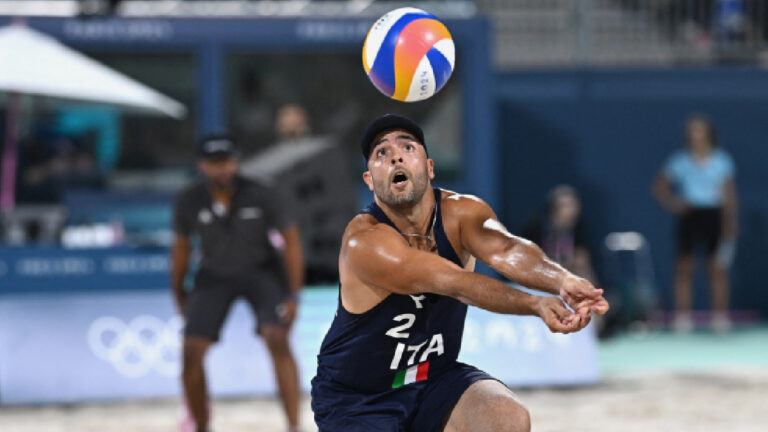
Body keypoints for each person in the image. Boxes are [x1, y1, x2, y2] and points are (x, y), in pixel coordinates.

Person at [311, 114, 609, 431]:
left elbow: (508, 250)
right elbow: (454, 283)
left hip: (433, 379)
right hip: (359, 398)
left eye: (408, 147)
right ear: (370, 180)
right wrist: (534, 304)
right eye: (381, 153)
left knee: (507, 418)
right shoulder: (365, 241)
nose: (395, 155)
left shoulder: (462, 212)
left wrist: (563, 280)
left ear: (429, 168)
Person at [171, 134, 304, 432]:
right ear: (201, 165)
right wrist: (178, 293)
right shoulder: (189, 199)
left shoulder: (263, 191)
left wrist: (294, 294)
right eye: (214, 162)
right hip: (214, 275)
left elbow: (292, 242)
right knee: (191, 350)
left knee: (278, 338)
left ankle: (295, 425)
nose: (222, 168)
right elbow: (180, 249)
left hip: (263, 271)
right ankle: (201, 426)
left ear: (236, 161)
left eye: (227, 161)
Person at [653, 114, 738, 333]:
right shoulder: (679, 161)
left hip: (714, 215)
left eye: (699, 130)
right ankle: (683, 318)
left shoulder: (722, 160)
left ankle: (720, 317)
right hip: (690, 216)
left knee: (717, 268)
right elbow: (660, 186)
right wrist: (674, 203)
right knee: (684, 267)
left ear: (708, 133)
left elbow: (729, 193)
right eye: (691, 130)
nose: (695, 134)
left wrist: (730, 221)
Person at [520, 185, 597, 284]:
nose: (573, 212)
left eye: (575, 206)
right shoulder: (534, 228)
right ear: (555, 208)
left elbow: (581, 259)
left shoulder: (579, 227)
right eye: (568, 206)